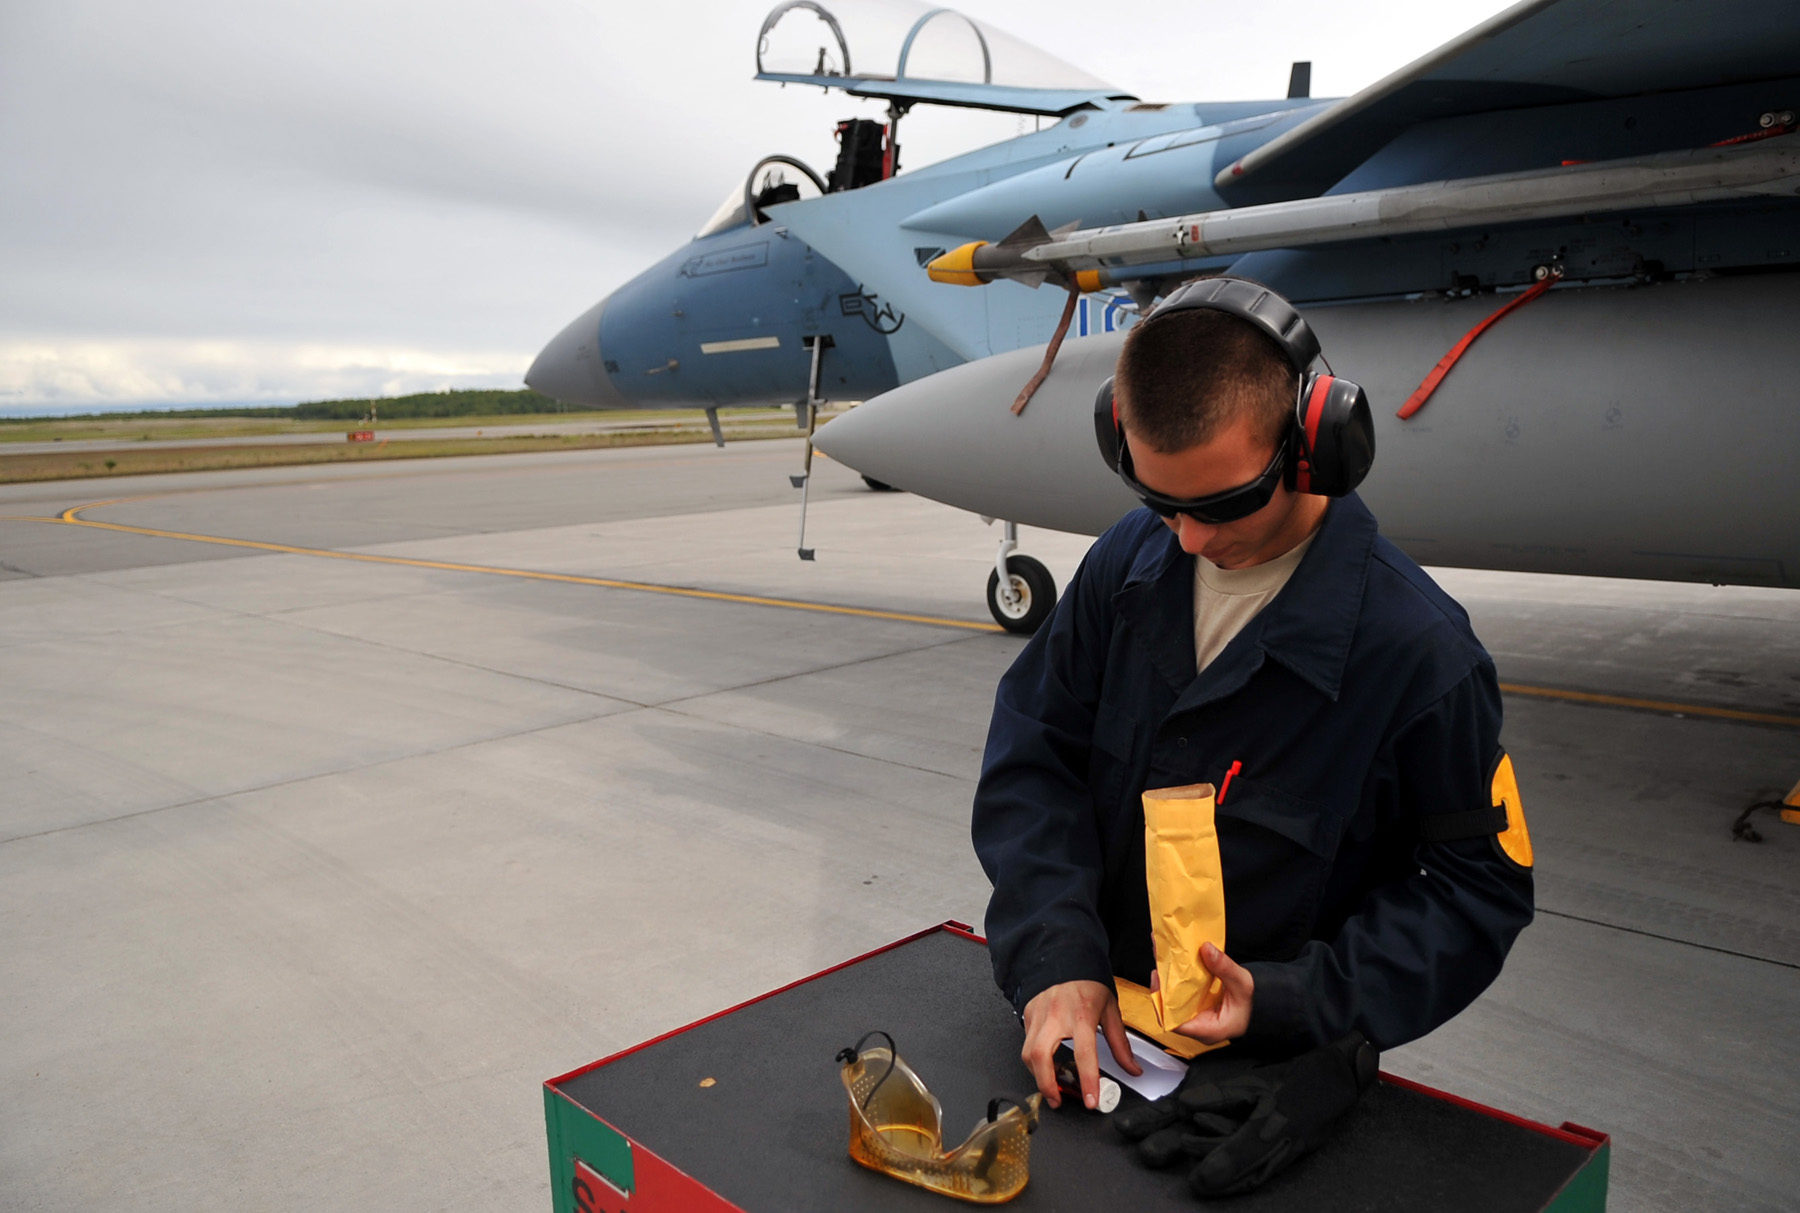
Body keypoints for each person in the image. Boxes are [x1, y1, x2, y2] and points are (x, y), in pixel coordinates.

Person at [971, 278, 1535, 1111]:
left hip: (1266, 1083)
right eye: (1160, 502)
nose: (1192, 538)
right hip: (1090, 1045)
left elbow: (1475, 891)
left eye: (1225, 502)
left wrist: (1300, 1004)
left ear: (1318, 443)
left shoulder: (1419, 654)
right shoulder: (1124, 566)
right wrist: (1057, 958)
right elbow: (1033, 758)